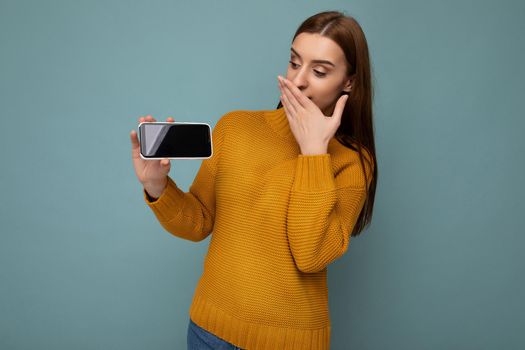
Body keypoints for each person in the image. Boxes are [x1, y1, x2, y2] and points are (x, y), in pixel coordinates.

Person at [130, 10, 377, 350]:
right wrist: (157, 186)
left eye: (319, 71)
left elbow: (310, 255)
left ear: (348, 81)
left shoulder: (353, 162)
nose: (299, 80)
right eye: (294, 63)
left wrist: (314, 153)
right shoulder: (235, 128)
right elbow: (199, 222)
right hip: (209, 333)